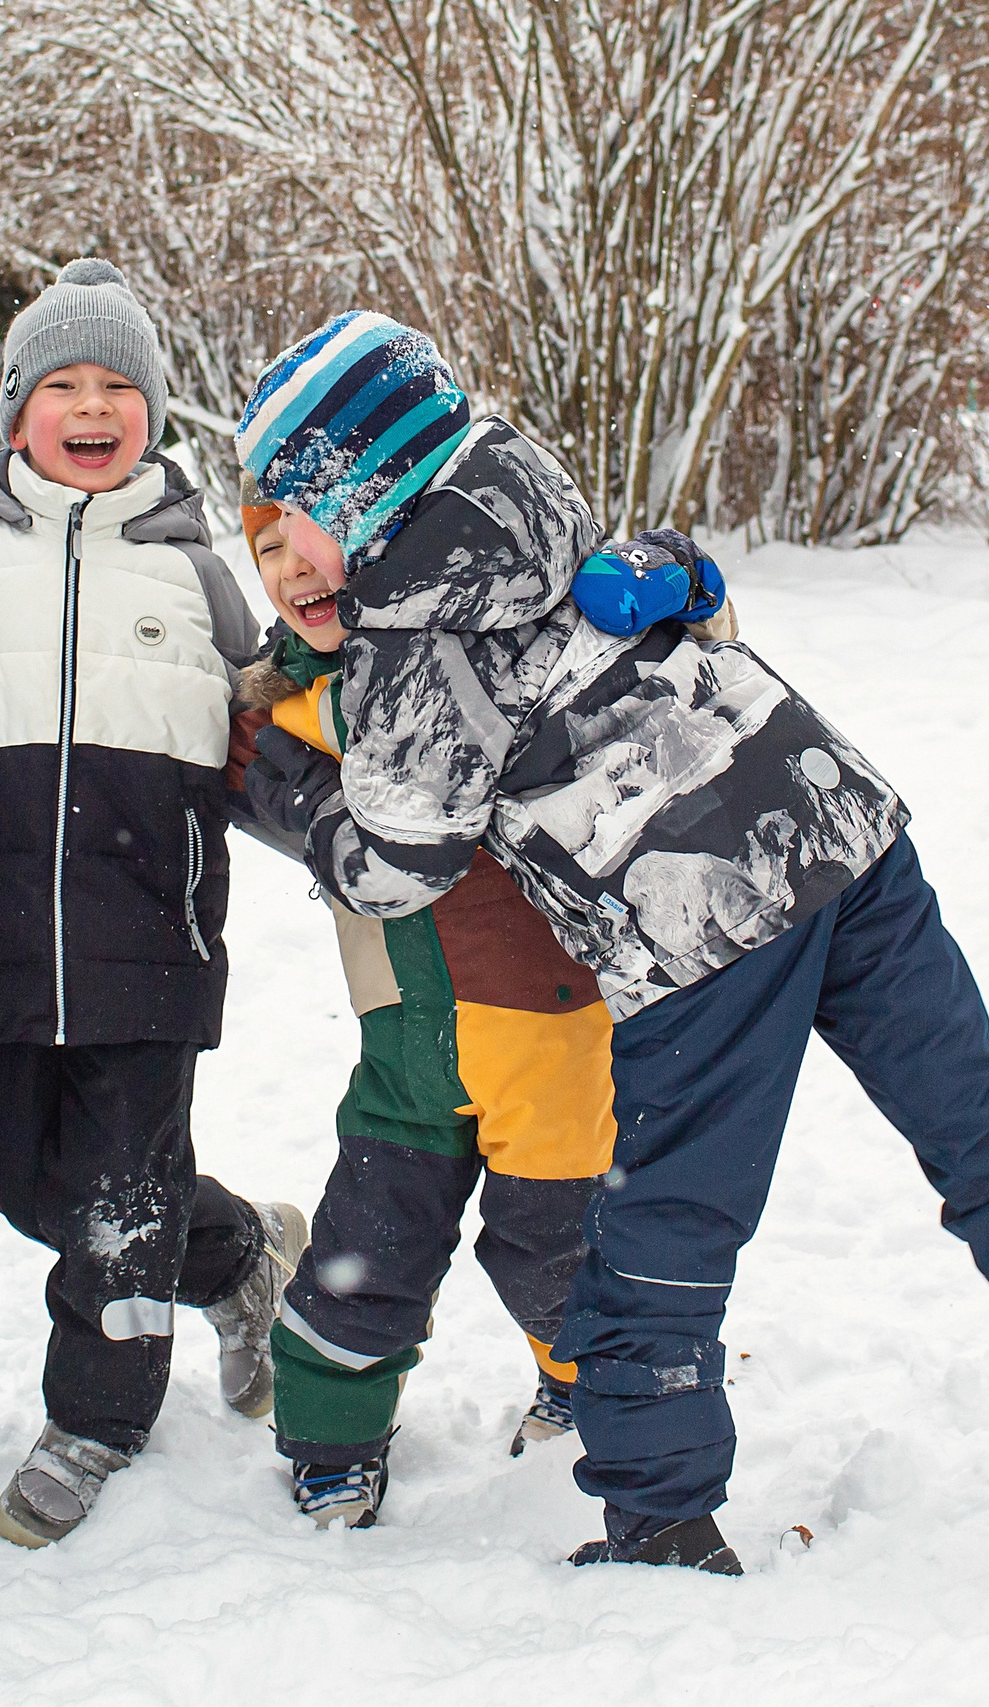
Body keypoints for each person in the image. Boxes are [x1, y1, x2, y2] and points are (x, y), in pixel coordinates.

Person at [233, 310, 989, 1575]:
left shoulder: (410, 644)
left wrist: (300, 800)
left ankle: (658, 1519)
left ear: (354, 489)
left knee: (661, 1216)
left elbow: (401, 865)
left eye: (293, 509)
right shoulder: (537, 507)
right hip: (831, 824)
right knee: (971, 1112)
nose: (286, 543)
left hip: (697, 912)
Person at [0, 259, 304, 1548]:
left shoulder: (196, 574)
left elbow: (263, 734)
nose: (91, 407)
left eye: (118, 386)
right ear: (16, 410)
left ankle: (95, 1422)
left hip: (148, 941)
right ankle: (240, 1256)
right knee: (29, 1187)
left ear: (153, 414)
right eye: (61, 384)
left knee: (123, 1203)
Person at [226, 493, 732, 1528]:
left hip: (553, 1032)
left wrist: (682, 577)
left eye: (313, 540)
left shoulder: (482, 645)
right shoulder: (278, 704)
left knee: (555, 1245)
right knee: (366, 1245)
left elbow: (673, 663)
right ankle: (332, 1438)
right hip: (407, 1038)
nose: (293, 565)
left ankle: (585, 1379)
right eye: (268, 549)